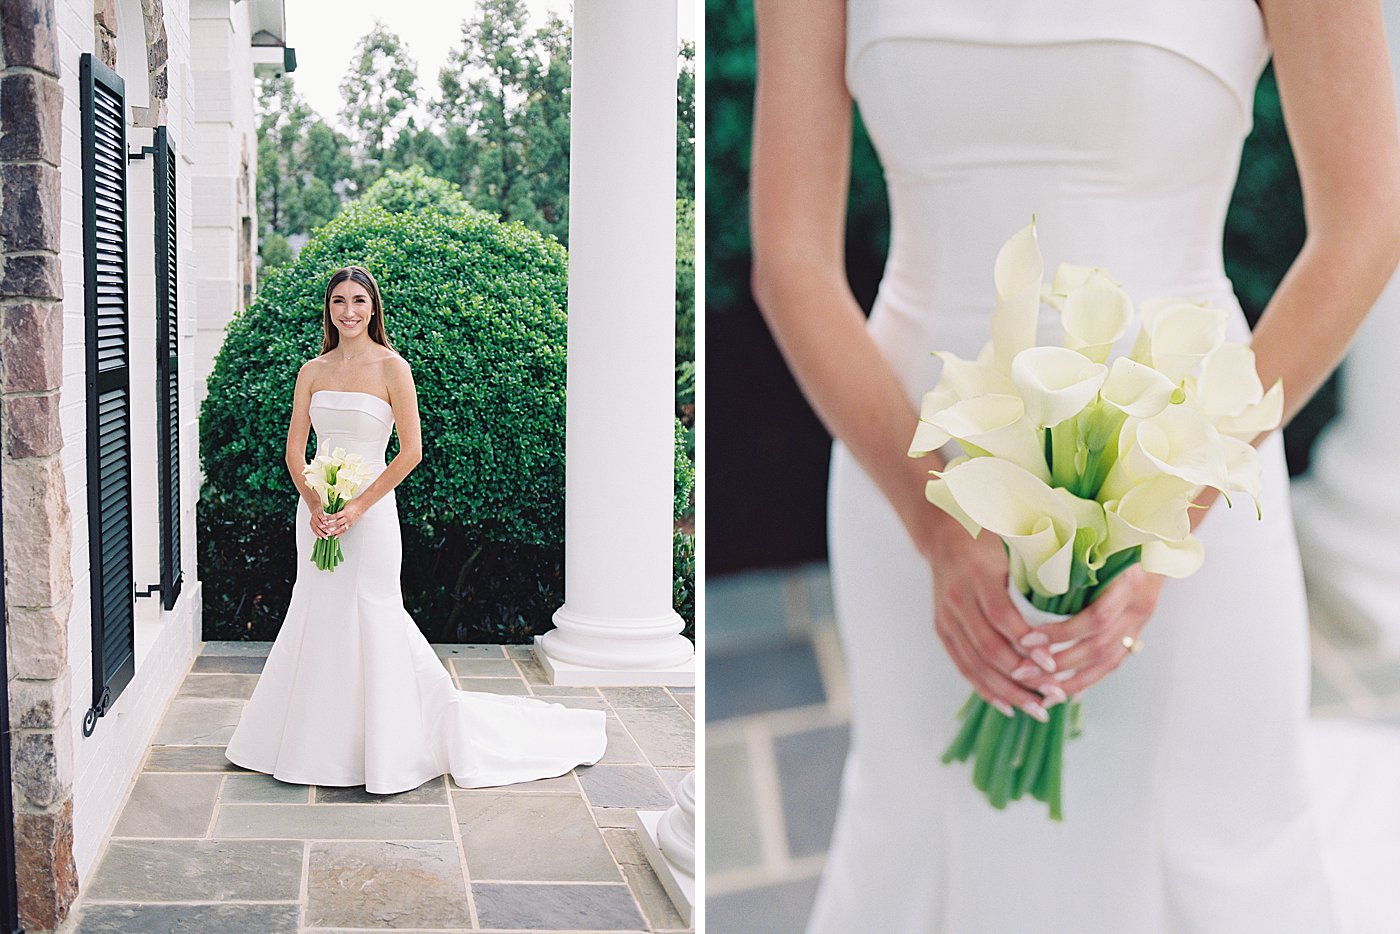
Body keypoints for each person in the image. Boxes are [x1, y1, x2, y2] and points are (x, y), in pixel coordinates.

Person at [748, 1, 1400, 931]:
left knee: (1209, 834)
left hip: (1195, 456)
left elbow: (1365, 224)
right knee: (927, 819)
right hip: (913, 455)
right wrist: (936, 522)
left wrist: (1166, 505)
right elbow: (793, 257)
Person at [224, 265, 607, 794]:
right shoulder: (311, 370)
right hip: (316, 513)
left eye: (359, 300)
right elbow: (294, 450)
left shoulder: (392, 367)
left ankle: (387, 747)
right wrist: (315, 503)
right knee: (317, 610)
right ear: (328, 309)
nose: (349, 311)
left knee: (373, 611)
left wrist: (356, 507)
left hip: (371, 510)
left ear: (374, 308)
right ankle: (312, 744)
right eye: (339, 301)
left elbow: (411, 451)